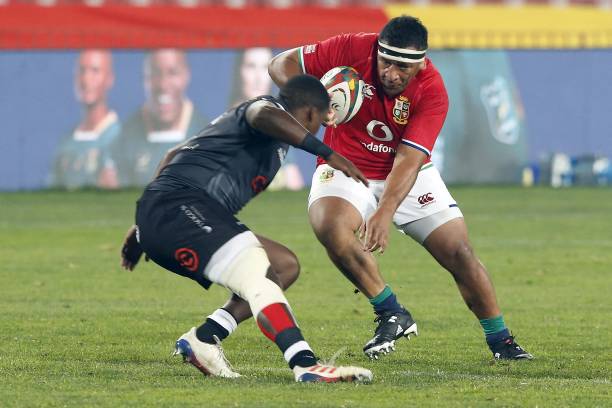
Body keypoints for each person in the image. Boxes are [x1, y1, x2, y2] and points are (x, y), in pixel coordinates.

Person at [267, 16, 533, 360]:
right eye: (386, 62)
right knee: (330, 225)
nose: (392, 73)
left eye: (402, 67)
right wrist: (312, 102)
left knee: (459, 253)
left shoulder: (433, 90)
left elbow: (408, 159)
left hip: (408, 173)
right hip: (347, 166)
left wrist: (385, 211)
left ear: (420, 63)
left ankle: (501, 341)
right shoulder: (352, 48)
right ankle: (390, 310)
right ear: (376, 50)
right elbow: (279, 65)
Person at [120, 74, 373, 382]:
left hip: (173, 214)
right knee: (258, 271)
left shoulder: (264, 134)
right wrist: (327, 152)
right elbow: (262, 114)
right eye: (319, 119)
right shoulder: (265, 108)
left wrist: (141, 227)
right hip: (181, 209)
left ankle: (204, 338)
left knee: (282, 266)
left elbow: (173, 155)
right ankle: (305, 364)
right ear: (308, 113)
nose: (319, 126)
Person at [109, 49, 209, 187]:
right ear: (144, 78)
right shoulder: (123, 138)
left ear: (186, 75)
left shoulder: (207, 134)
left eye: (172, 73)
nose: (163, 84)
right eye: (155, 74)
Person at [229, 47, 306, 191]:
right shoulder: (225, 124)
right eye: (251, 66)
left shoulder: (278, 123)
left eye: (265, 67)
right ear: (239, 71)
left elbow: (295, 184)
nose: (258, 78)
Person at [51, 49, 120, 189]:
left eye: (95, 71)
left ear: (109, 78)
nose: (86, 79)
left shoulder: (121, 136)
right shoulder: (66, 141)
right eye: (82, 71)